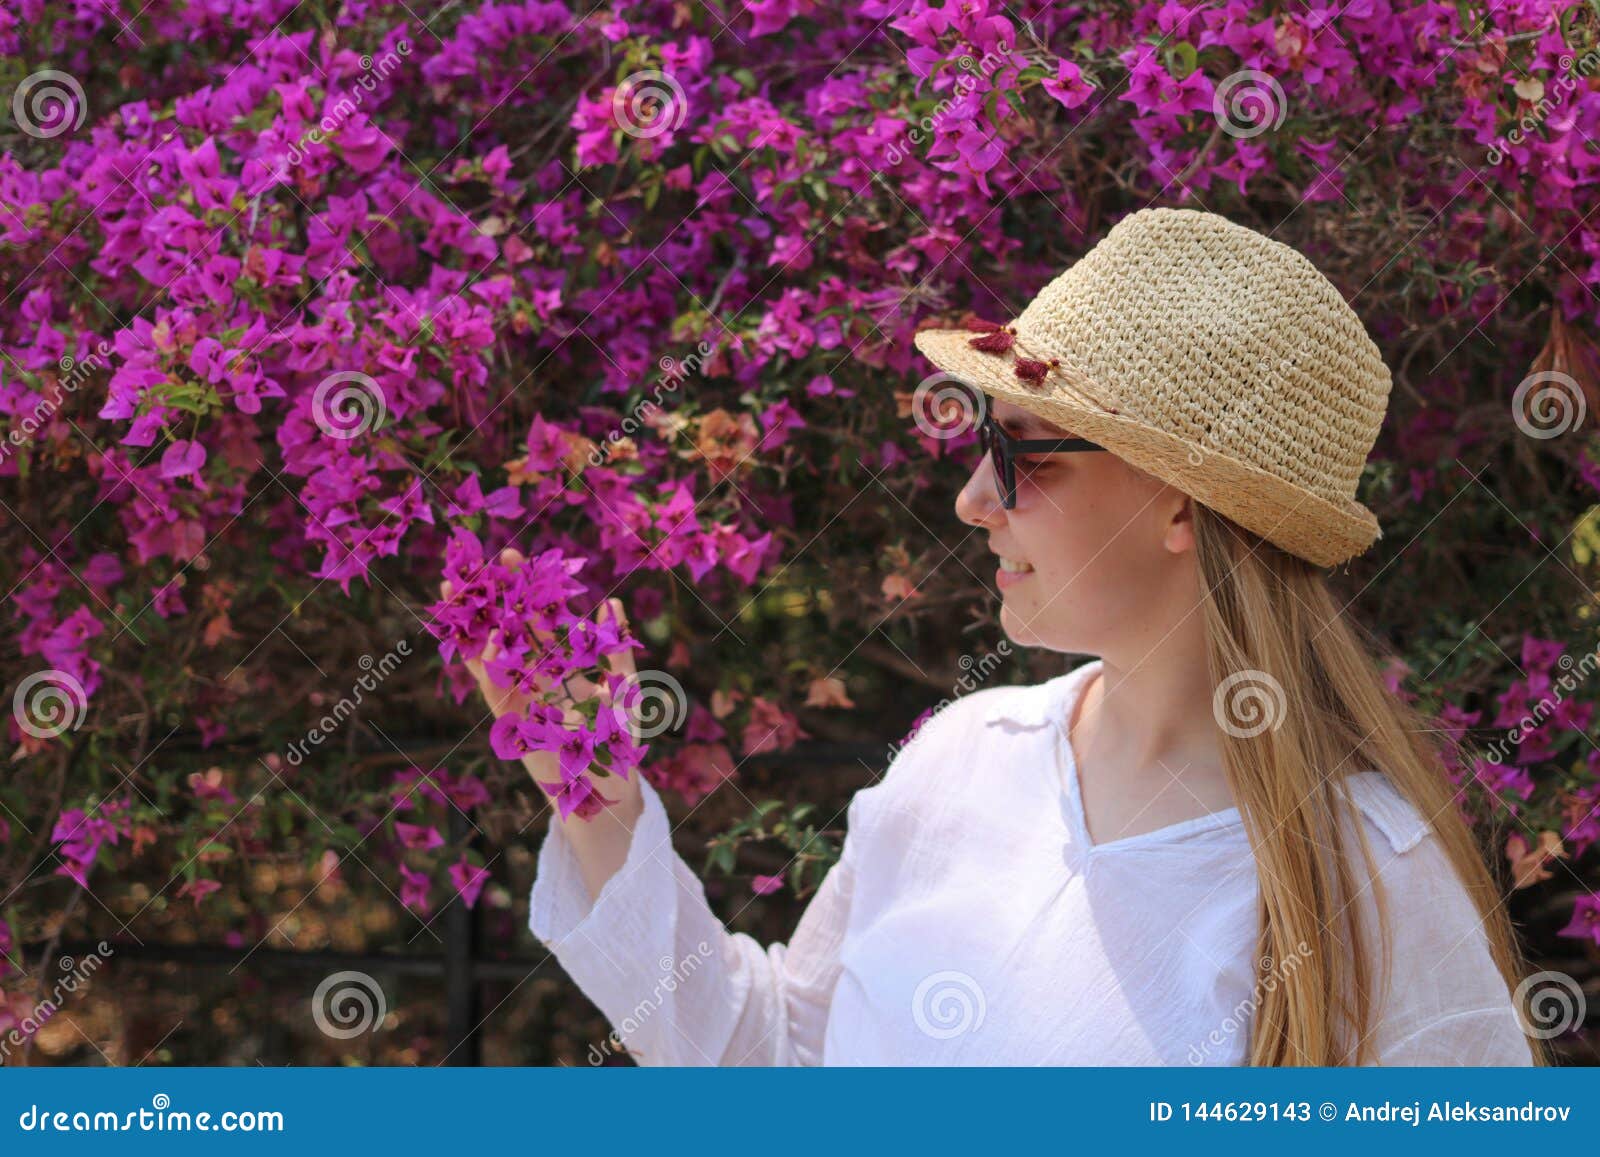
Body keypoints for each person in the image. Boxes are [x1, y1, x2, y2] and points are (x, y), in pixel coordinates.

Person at [457, 208, 1540, 1066]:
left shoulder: (1367, 885)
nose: (976, 496)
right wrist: (591, 791)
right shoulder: (963, 756)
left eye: (1027, 449)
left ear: (1180, 505)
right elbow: (775, 1058)